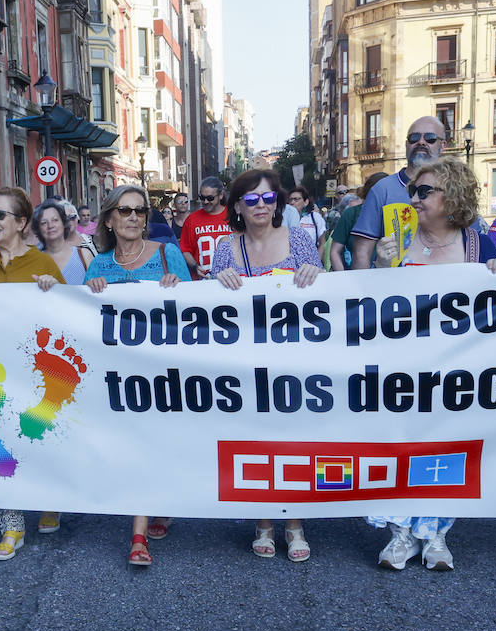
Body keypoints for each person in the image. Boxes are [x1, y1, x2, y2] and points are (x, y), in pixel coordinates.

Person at [370, 157, 496, 572]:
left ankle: (437, 533)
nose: (414, 199)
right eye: (413, 191)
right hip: (401, 370)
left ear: (453, 196)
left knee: (446, 451)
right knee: (398, 448)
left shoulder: (480, 246)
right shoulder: (398, 240)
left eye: (425, 191)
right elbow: (369, 308)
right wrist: (379, 265)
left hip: (456, 373)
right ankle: (401, 533)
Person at [210, 169, 323, 563]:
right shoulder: (226, 248)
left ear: (278, 202)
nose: (261, 205)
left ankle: (293, 522)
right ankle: (263, 520)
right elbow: (209, 313)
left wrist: (316, 274)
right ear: (238, 206)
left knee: (293, 443)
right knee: (256, 443)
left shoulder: (301, 241)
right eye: (252, 199)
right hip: (245, 366)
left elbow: (328, 302)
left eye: (268, 198)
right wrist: (216, 281)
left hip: (295, 364)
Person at [79, 184, 186, 566]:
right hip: (121, 376)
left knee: (158, 444)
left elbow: (197, 316)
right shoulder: (98, 265)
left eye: (140, 211)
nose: (134, 217)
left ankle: (150, 516)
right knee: (139, 446)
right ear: (109, 218)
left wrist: (178, 290)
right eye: (124, 211)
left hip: (165, 371)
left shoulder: (168, 254)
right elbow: (84, 322)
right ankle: (141, 528)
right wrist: (89, 292)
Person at [0, 187, 65, 560]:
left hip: (36, 372)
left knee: (36, 438)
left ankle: (49, 498)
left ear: (22, 223)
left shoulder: (43, 263)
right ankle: (11, 525)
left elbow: (69, 320)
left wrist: (54, 291)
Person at [351, 116, 448, 269]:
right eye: (414, 138)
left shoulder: (453, 189)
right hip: (394, 288)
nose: (421, 142)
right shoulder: (382, 190)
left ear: (442, 146)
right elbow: (362, 250)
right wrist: (365, 290)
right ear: (406, 145)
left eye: (430, 138)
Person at [327, 173, 387, 272]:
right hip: (356, 278)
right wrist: (344, 278)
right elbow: (334, 251)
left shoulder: (395, 214)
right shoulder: (351, 213)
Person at [178, 176, 231, 278]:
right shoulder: (191, 219)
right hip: (202, 282)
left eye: (210, 198)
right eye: (202, 198)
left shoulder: (232, 216)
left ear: (221, 195)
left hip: (231, 280)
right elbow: (185, 250)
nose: (206, 202)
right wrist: (195, 266)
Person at [32, 200, 94, 285]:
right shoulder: (34, 261)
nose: (50, 225)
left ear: (64, 223)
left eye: (55, 220)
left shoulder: (84, 255)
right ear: (38, 229)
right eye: (44, 223)